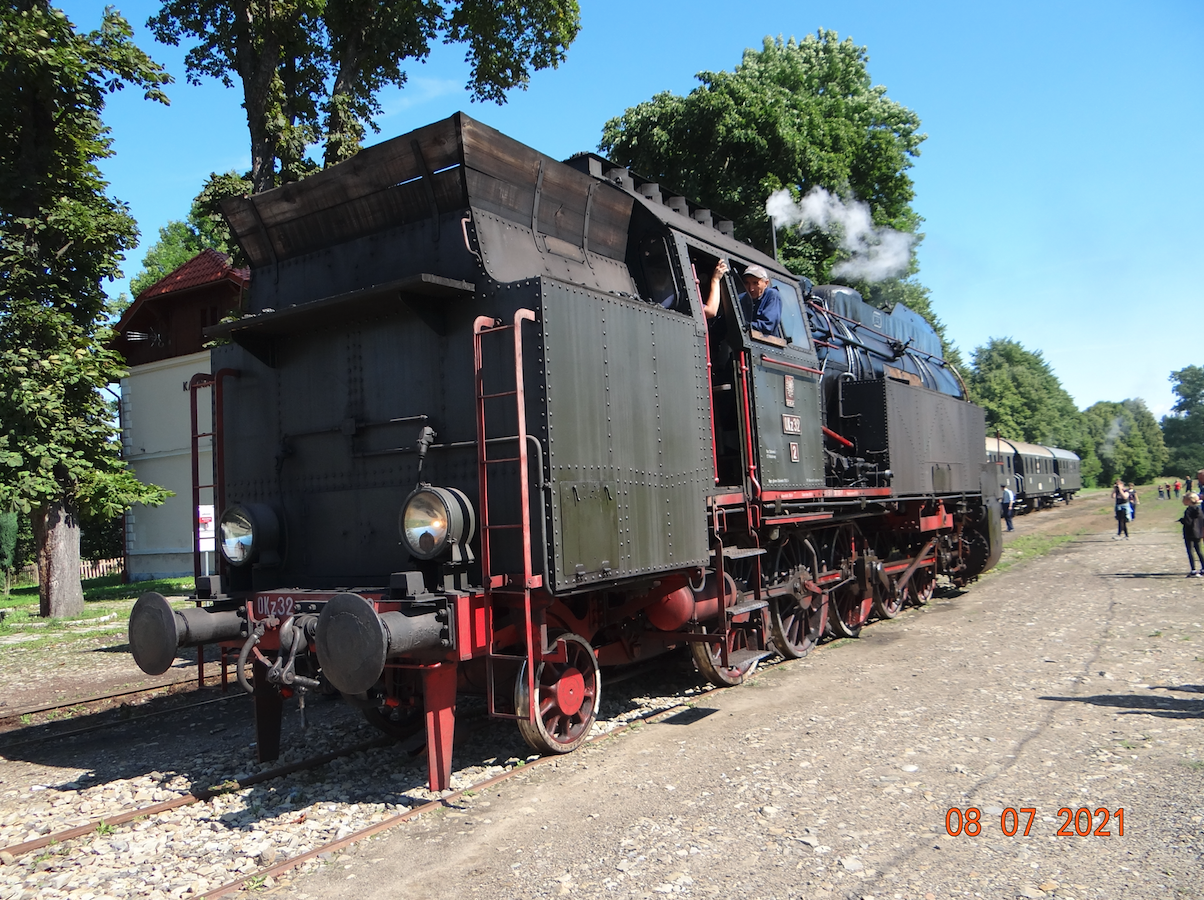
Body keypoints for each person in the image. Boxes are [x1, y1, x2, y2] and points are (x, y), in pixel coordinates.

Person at [704, 260, 782, 337]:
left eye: (755, 283)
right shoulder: (741, 299)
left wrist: (744, 326)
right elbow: (726, 322)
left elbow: (767, 326)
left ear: (766, 283)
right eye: (747, 283)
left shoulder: (772, 295)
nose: (751, 288)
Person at [1180, 492, 1204, 576]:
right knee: (1199, 551)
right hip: (1198, 532)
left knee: (1190, 551)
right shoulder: (1199, 509)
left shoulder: (1188, 510)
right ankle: (1203, 568)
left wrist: (1182, 520)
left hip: (1189, 532)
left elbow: (1188, 522)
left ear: (1188, 500)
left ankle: (1193, 569)